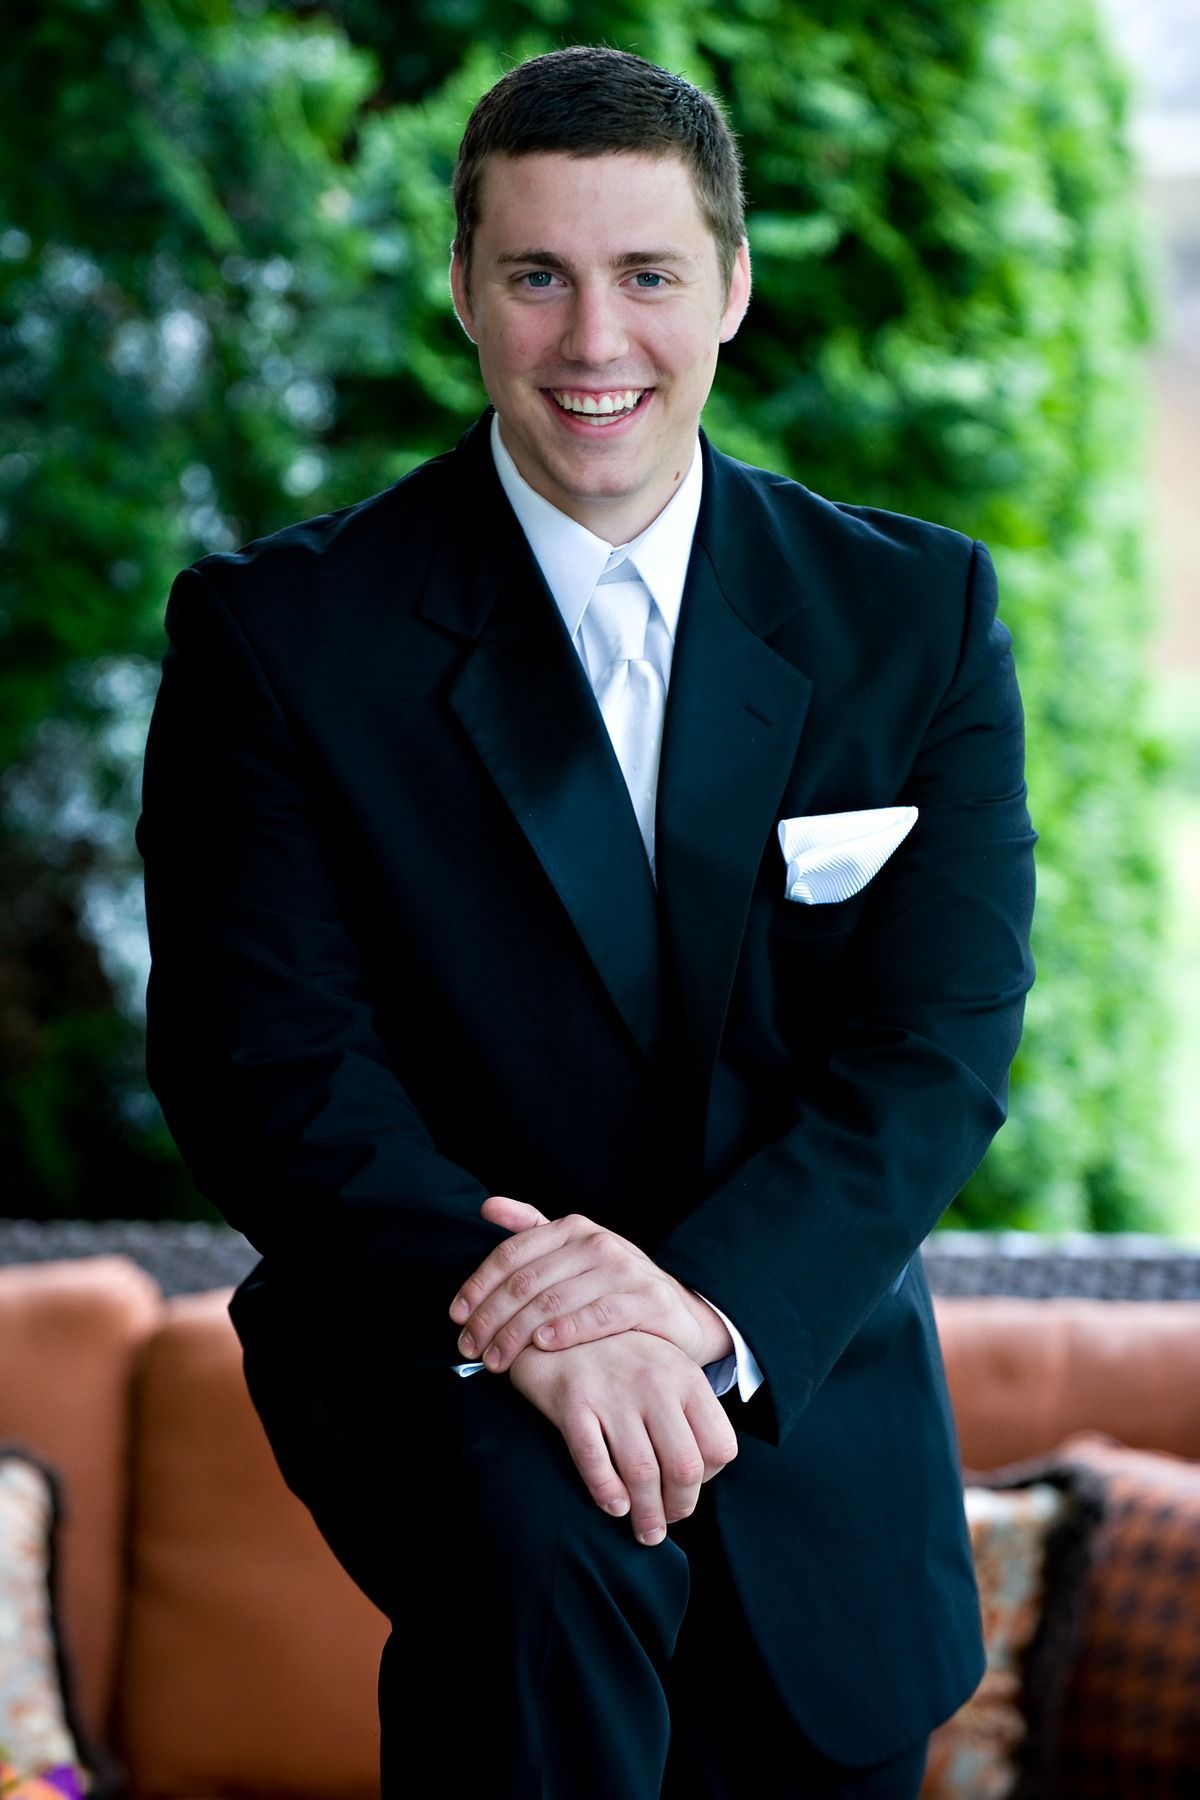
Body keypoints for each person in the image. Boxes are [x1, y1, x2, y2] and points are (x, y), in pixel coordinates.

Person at [137, 44, 1036, 1800]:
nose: (592, 340)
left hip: (806, 1422)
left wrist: (689, 1311)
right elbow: (268, 1064)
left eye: (646, 276)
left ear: (734, 288)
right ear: (465, 292)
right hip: (453, 1382)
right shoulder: (278, 639)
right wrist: (537, 1310)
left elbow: (932, 1053)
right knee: (538, 1574)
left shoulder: (913, 612)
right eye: (536, 275)